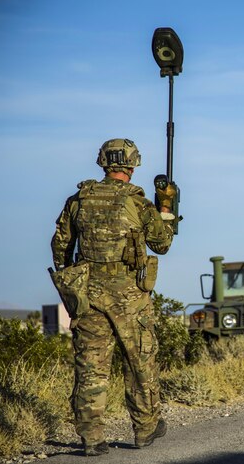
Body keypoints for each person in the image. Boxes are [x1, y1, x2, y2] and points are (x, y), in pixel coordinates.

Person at [51, 138, 177, 456]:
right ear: (132, 167)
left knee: (91, 367)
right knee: (140, 362)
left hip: (89, 295)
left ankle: (92, 438)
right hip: (130, 296)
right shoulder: (137, 202)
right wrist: (166, 209)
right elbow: (162, 244)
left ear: (103, 164)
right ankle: (145, 428)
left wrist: (75, 283)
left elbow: (60, 247)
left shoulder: (78, 199)